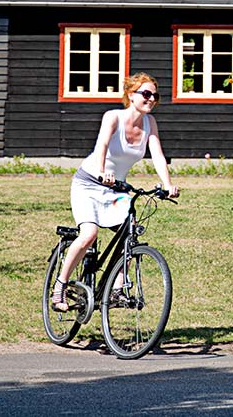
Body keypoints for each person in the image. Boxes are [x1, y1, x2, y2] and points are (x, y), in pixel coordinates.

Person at [50, 73, 179, 311]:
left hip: (115, 189)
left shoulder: (150, 124)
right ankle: (60, 286)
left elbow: (158, 156)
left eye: (154, 96)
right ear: (131, 95)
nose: (151, 99)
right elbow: (102, 145)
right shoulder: (113, 117)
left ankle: (118, 288)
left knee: (130, 232)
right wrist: (101, 171)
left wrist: (168, 184)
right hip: (89, 183)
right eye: (146, 94)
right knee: (89, 234)